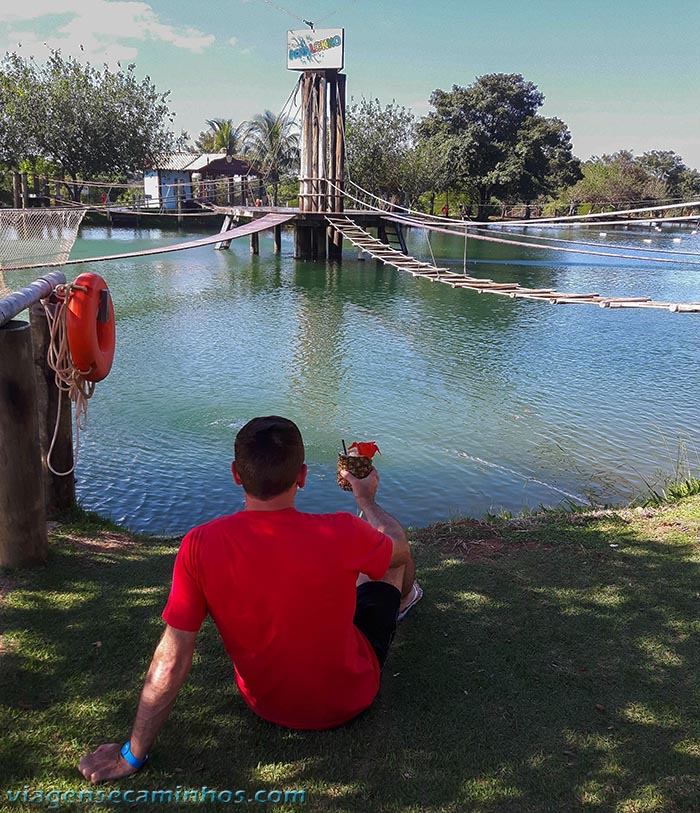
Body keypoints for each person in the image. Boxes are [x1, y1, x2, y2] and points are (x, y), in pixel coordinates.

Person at [78, 416, 422, 783]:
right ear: (302, 476)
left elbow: (172, 656)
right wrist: (366, 501)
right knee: (387, 565)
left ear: (236, 475)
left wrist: (132, 753)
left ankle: (395, 599)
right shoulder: (341, 530)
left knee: (363, 565)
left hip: (266, 705)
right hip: (351, 698)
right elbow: (399, 549)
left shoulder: (199, 546)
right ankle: (406, 600)